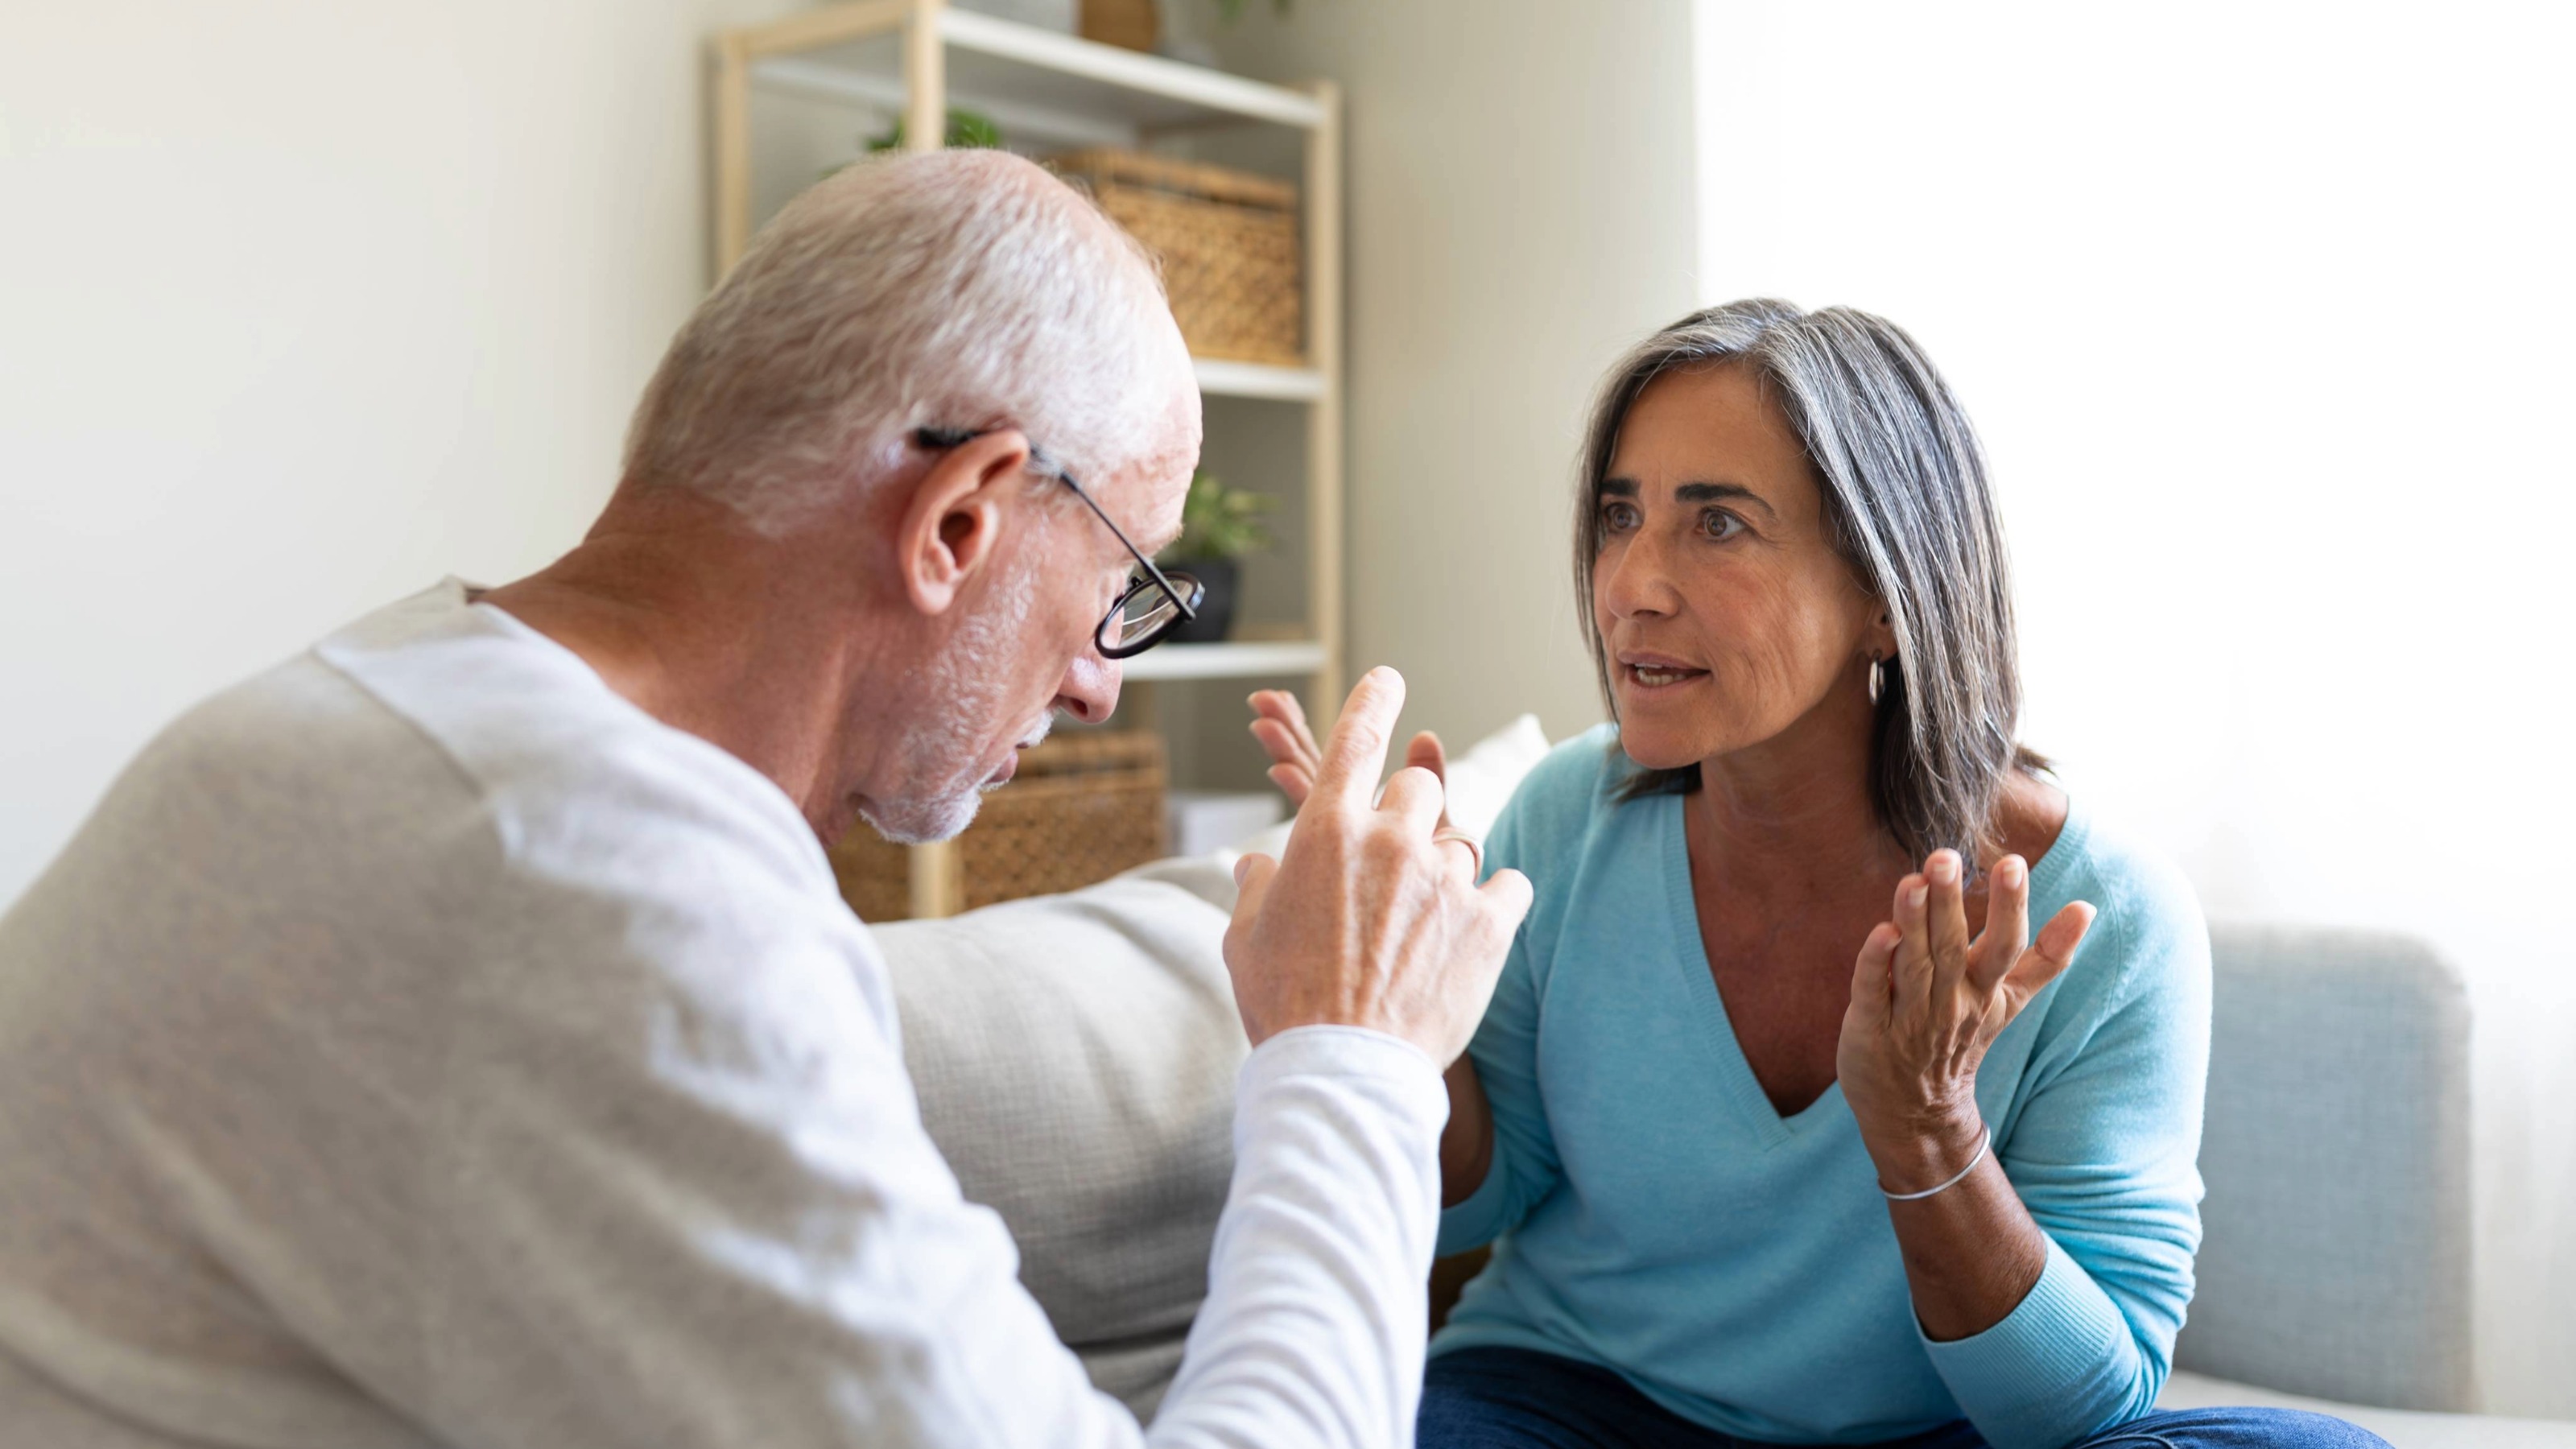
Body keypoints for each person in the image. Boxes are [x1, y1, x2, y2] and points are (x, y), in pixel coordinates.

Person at [0, 148, 1533, 1447]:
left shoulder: (401, 704)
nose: (1098, 683)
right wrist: (1355, 1054)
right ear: (961, 518)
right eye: (1125, 586)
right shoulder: (591, 885)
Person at [1247, 302, 2383, 1449]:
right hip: (1572, 1405)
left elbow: (2083, 1408)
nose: (1632, 582)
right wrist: (1378, 995)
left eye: (1720, 525)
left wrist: (1930, 1135)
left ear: (1887, 596)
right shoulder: (1564, 816)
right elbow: (1483, 1201)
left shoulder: (2113, 918)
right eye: (1618, 516)